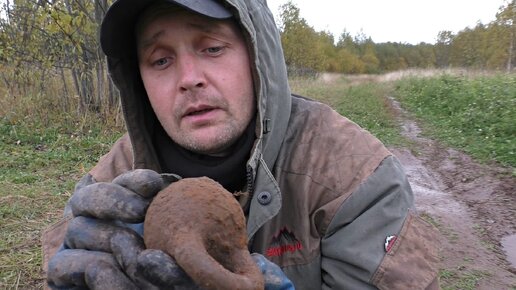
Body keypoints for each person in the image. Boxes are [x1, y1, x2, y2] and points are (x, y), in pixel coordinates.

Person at [43, 0, 441, 289]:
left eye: (212, 48)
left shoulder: (355, 178)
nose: (189, 78)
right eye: (160, 60)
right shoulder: (111, 187)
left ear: (257, 57)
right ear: (139, 78)